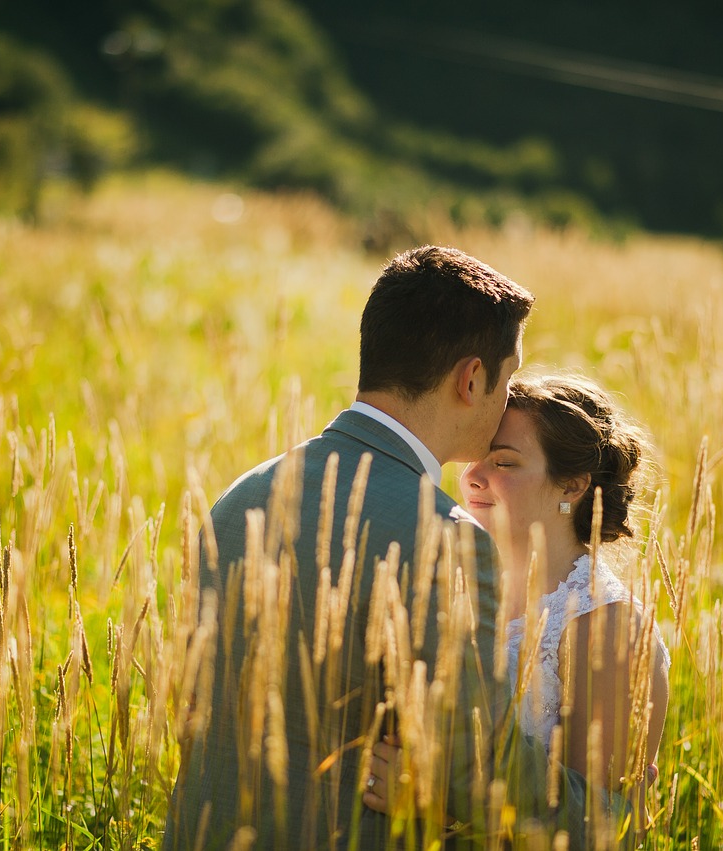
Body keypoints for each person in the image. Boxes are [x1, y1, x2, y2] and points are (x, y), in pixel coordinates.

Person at [163, 247, 606, 849]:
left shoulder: (241, 497)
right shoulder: (445, 540)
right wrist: (606, 813)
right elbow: (473, 762)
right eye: (506, 380)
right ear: (472, 379)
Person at [363, 373, 671, 836]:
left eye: (503, 463)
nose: (471, 477)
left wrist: (436, 809)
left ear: (572, 487)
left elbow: (599, 829)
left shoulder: (608, 629)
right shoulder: (448, 587)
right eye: (475, 459)